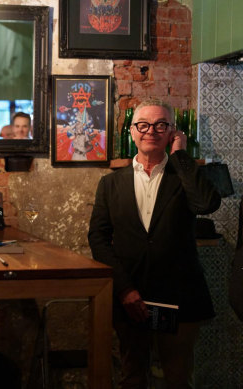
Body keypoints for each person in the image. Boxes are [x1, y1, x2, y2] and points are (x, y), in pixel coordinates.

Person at [88, 98, 221, 388]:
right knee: (132, 377)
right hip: (130, 296)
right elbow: (98, 238)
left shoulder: (183, 176)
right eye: (143, 124)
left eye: (161, 124)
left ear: (173, 132)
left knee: (177, 378)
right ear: (133, 132)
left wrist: (181, 155)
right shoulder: (111, 183)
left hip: (180, 296)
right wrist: (124, 289)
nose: (151, 130)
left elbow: (206, 204)